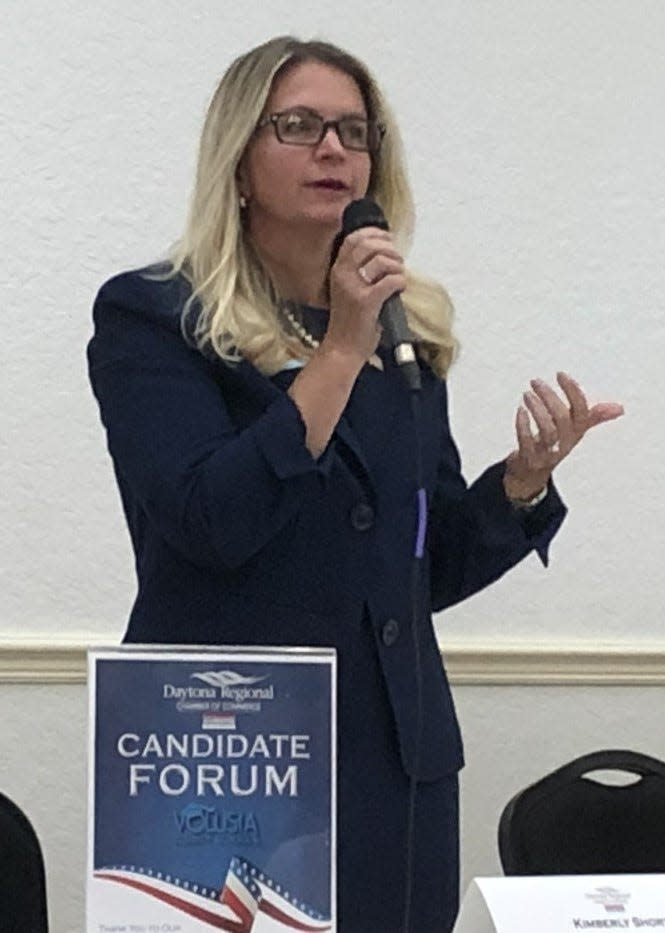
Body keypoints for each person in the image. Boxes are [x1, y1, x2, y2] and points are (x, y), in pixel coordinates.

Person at [87, 36, 623, 933]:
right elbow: (209, 520)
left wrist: (520, 486)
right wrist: (339, 350)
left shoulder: (404, 328)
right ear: (240, 161)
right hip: (229, 756)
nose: (333, 149)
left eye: (352, 129)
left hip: (391, 764)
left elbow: (420, 565)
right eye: (297, 125)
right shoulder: (154, 319)